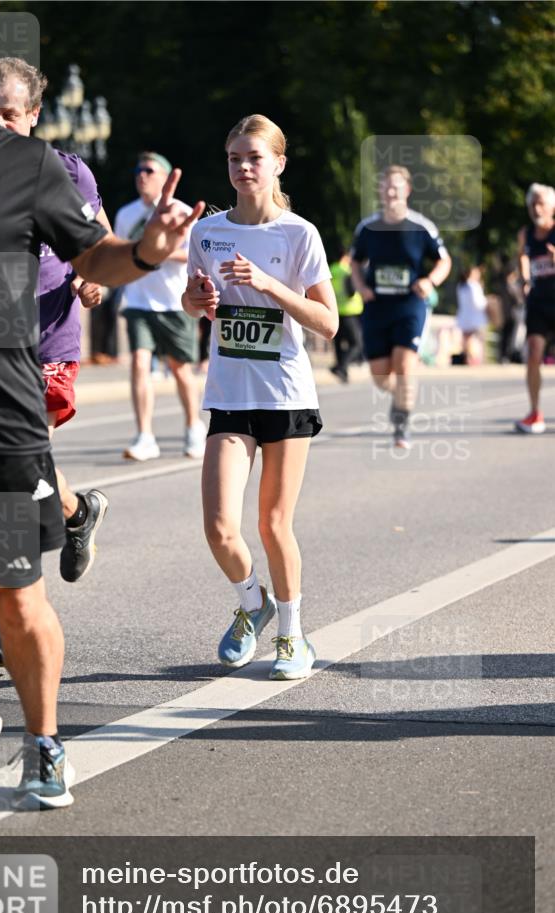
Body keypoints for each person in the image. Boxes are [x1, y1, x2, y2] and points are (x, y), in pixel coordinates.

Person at [0, 1, 203, 810]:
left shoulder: (29, 166)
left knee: (13, 600)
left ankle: (44, 741)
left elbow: (91, 255)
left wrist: (144, 253)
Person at [0, 56, 110, 669]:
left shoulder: (66, 170)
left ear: (33, 115)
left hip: (47, 344)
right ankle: (77, 511)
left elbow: (98, 241)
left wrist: (94, 279)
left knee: (10, 469)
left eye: (8, 114)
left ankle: (5, 618)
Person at [182, 115, 338, 681]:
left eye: (254, 157)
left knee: (273, 524)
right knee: (219, 526)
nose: (243, 167)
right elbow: (192, 302)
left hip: (285, 396)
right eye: (234, 158)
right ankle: (254, 603)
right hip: (230, 392)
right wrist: (198, 299)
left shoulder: (299, 234)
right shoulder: (206, 232)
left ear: (278, 164)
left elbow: (329, 322)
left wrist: (269, 285)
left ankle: (292, 636)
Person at [350, 164, 451, 448]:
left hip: (410, 305)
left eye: (396, 187)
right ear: (381, 191)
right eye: (386, 187)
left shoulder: (421, 226)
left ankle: (401, 425)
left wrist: (430, 281)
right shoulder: (367, 227)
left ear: (407, 190)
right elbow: (355, 261)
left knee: (405, 365)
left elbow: (444, 261)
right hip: (377, 306)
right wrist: (361, 287)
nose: (391, 192)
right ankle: (401, 396)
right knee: (381, 377)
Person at [114, 152, 207, 461]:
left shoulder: (182, 212)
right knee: (140, 364)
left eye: (149, 171)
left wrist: (156, 252)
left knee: (180, 370)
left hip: (174, 302)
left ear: (166, 178)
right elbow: (119, 250)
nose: (141, 175)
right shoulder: (126, 214)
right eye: (138, 170)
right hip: (138, 300)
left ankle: (193, 427)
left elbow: (194, 256)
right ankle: (144, 435)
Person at [515, 183, 555, 434]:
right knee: (533, 354)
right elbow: (522, 255)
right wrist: (525, 280)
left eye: (541, 203)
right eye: (532, 204)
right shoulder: (526, 233)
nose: (536, 209)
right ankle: (534, 412)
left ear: (552, 207)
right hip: (538, 303)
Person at [328, 241, 363, 383]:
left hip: (335, 312)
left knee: (338, 343)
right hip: (349, 311)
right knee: (356, 344)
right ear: (345, 256)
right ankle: (341, 366)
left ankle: (342, 371)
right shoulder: (348, 271)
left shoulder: (330, 270)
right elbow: (352, 291)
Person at [456, 265, 487, 365]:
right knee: (476, 340)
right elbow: (478, 303)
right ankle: (474, 359)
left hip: (464, 317)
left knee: (466, 339)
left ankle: (467, 358)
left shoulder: (461, 286)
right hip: (475, 319)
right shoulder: (474, 286)